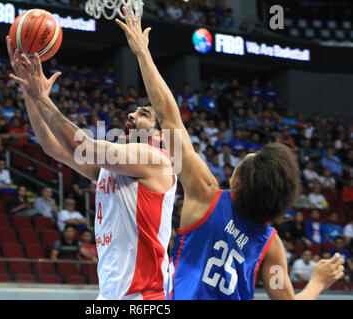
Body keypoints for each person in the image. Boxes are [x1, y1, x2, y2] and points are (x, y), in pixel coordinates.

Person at [115, 9, 344, 300]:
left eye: (242, 163)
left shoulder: (207, 193)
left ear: (236, 185)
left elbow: (170, 119)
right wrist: (317, 282)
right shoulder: (271, 245)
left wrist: (143, 54)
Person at [7, 33, 176, 301]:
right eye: (134, 111)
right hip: (111, 294)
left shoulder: (154, 160)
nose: (132, 115)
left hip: (144, 296)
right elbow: (53, 147)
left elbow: (81, 145)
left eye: (144, 115)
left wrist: (43, 99)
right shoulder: (115, 167)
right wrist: (30, 94)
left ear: (159, 134)